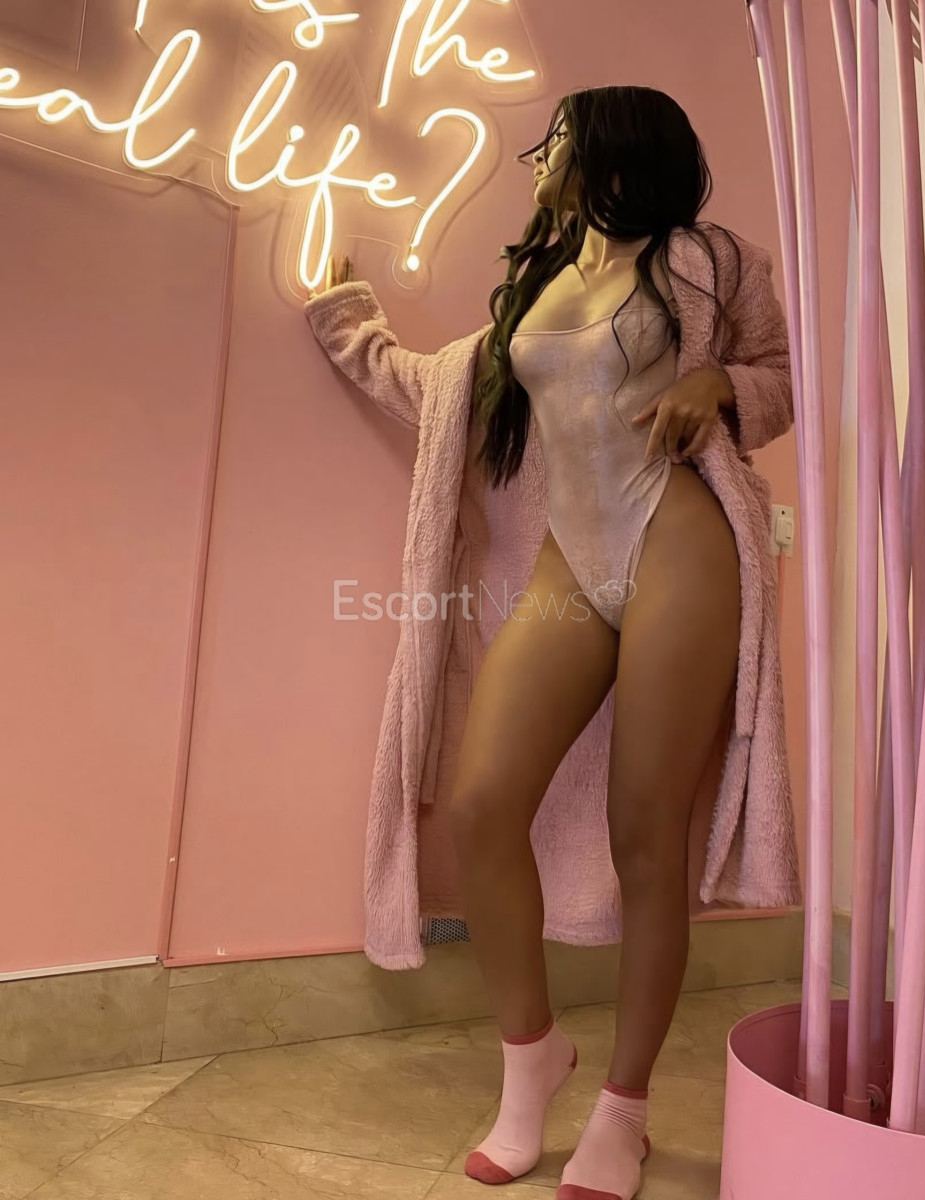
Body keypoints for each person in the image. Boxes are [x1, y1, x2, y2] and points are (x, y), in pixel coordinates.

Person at [308, 85, 796, 1200]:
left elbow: (784, 375)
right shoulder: (540, 282)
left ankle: (624, 1111)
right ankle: (531, 1058)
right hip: (571, 559)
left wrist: (719, 381)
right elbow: (444, 389)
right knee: (482, 804)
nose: (539, 160)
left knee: (645, 835)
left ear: (610, 148)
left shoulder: (707, 261)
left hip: (678, 542)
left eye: (556, 141)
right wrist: (346, 318)